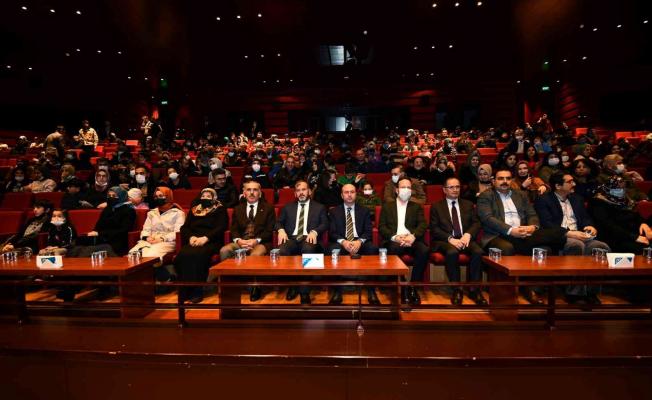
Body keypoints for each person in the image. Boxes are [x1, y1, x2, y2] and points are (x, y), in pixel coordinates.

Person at [477, 169, 566, 304]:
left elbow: (532, 214)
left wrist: (532, 227)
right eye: (501, 178)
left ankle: (532, 289)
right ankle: (506, 291)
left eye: (508, 178)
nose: (505, 181)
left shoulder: (521, 195)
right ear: (493, 181)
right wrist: (511, 230)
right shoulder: (486, 196)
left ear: (511, 180)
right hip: (498, 235)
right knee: (507, 247)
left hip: (523, 233)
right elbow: (487, 218)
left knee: (544, 249)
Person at [534, 172, 610, 305]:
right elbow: (547, 224)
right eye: (569, 182)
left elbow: (585, 217)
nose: (574, 184)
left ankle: (591, 291)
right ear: (558, 186)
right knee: (576, 245)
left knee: (601, 247)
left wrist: (590, 226)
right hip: (560, 236)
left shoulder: (577, 199)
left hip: (581, 234)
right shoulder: (544, 200)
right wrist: (569, 233)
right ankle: (574, 293)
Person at [430, 178, 486, 306]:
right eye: (451, 187)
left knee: (478, 252)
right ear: (444, 190)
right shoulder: (437, 206)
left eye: (458, 187)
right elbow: (434, 229)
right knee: (452, 252)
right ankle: (456, 289)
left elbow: (476, 223)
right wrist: (451, 239)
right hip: (445, 240)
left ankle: (474, 289)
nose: (455, 190)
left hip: (465, 239)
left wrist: (468, 234)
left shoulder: (468, 204)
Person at [219, 179, 276, 302]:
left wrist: (256, 240)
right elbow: (233, 229)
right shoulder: (238, 208)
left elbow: (270, 230)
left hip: (260, 242)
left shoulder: (268, 208)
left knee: (255, 255)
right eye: (248, 190)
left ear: (260, 193)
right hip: (242, 241)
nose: (251, 193)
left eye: (255, 190)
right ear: (244, 193)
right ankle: (230, 286)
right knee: (225, 250)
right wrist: (239, 240)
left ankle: (255, 287)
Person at [276, 180, 329, 304]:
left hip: (309, 238)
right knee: (283, 250)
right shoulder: (287, 207)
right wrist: (281, 230)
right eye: (298, 190)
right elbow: (278, 222)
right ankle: (293, 286)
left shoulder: (319, 207)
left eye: (304, 190)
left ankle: (304, 291)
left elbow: (325, 223)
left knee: (308, 249)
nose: (301, 193)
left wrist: (315, 231)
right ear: (295, 193)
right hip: (292, 239)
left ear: (309, 191)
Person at [378, 178, 429, 305]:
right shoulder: (387, 207)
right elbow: (382, 227)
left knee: (424, 250)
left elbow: (423, 224)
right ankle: (402, 286)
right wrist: (395, 237)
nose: (406, 190)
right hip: (394, 240)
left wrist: (413, 236)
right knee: (394, 248)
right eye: (403, 187)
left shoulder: (416, 207)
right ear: (396, 190)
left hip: (411, 239)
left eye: (408, 187)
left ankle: (413, 287)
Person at [327, 184, 379, 305]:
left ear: (356, 194)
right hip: (342, 241)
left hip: (359, 240)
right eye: (346, 192)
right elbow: (332, 233)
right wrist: (344, 242)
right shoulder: (334, 211)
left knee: (372, 249)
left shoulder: (364, 211)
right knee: (333, 250)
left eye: (352, 192)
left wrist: (359, 241)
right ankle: (337, 290)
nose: (349, 195)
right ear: (342, 195)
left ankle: (371, 289)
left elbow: (368, 231)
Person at [174, 188, 228, 303]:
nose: (205, 198)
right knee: (182, 256)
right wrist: (191, 237)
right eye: (203, 196)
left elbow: (221, 227)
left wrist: (205, 238)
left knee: (198, 256)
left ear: (214, 198)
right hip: (194, 240)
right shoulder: (195, 209)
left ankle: (197, 290)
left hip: (211, 240)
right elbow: (185, 227)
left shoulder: (219, 209)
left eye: (208, 196)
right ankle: (185, 290)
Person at [589, 176, 651, 254]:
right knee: (645, 249)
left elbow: (635, 215)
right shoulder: (598, 202)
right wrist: (634, 237)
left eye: (623, 188)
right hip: (613, 237)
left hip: (631, 234)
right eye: (618, 188)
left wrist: (643, 223)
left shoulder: (625, 200)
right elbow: (608, 225)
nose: (622, 191)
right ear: (608, 188)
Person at [70, 186, 136, 257]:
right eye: (109, 196)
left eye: (114, 196)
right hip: (101, 237)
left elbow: (123, 230)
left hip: (116, 240)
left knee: (86, 249)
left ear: (121, 197)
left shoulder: (129, 210)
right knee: (80, 241)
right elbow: (99, 225)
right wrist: (94, 232)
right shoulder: (107, 209)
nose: (111, 198)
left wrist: (100, 234)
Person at [129, 186, 185, 259]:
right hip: (151, 240)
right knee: (132, 253)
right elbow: (146, 229)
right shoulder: (152, 213)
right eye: (156, 196)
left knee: (149, 255)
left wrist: (162, 238)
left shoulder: (178, 213)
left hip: (168, 241)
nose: (157, 198)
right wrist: (147, 237)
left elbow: (177, 232)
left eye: (161, 196)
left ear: (168, 197)